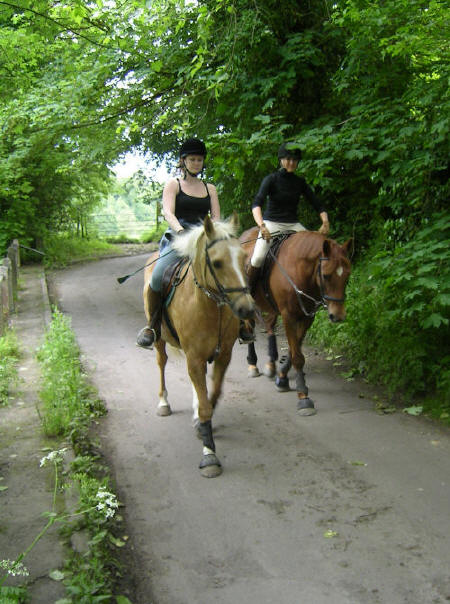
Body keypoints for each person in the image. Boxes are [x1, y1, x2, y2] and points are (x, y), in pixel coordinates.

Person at [136, 137, 220, 348]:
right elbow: (168, 212)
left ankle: (239, 324)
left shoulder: (210, 188)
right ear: (183, 161)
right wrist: (181, 231)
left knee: (228, 270)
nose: (196, 163)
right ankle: (153, 325)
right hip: (179, 238)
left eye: (199, 159)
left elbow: (216, 218)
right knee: (156, 276)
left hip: (203, 238)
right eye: (192, 159)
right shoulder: (174, 185)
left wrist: (213, 235)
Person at [247, 142, 330, 292]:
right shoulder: (271, 179)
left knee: (317, 247)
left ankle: (317, 292)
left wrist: (325, 221)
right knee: (258, 258)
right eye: (288, 159)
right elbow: (256, 204)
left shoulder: (300, 182)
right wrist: (262, 226)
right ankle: (248, 292)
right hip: (271, 223)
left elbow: (318, 204)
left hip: (293, 225)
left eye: (294, 160)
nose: (291, 163)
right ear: (281, 160)